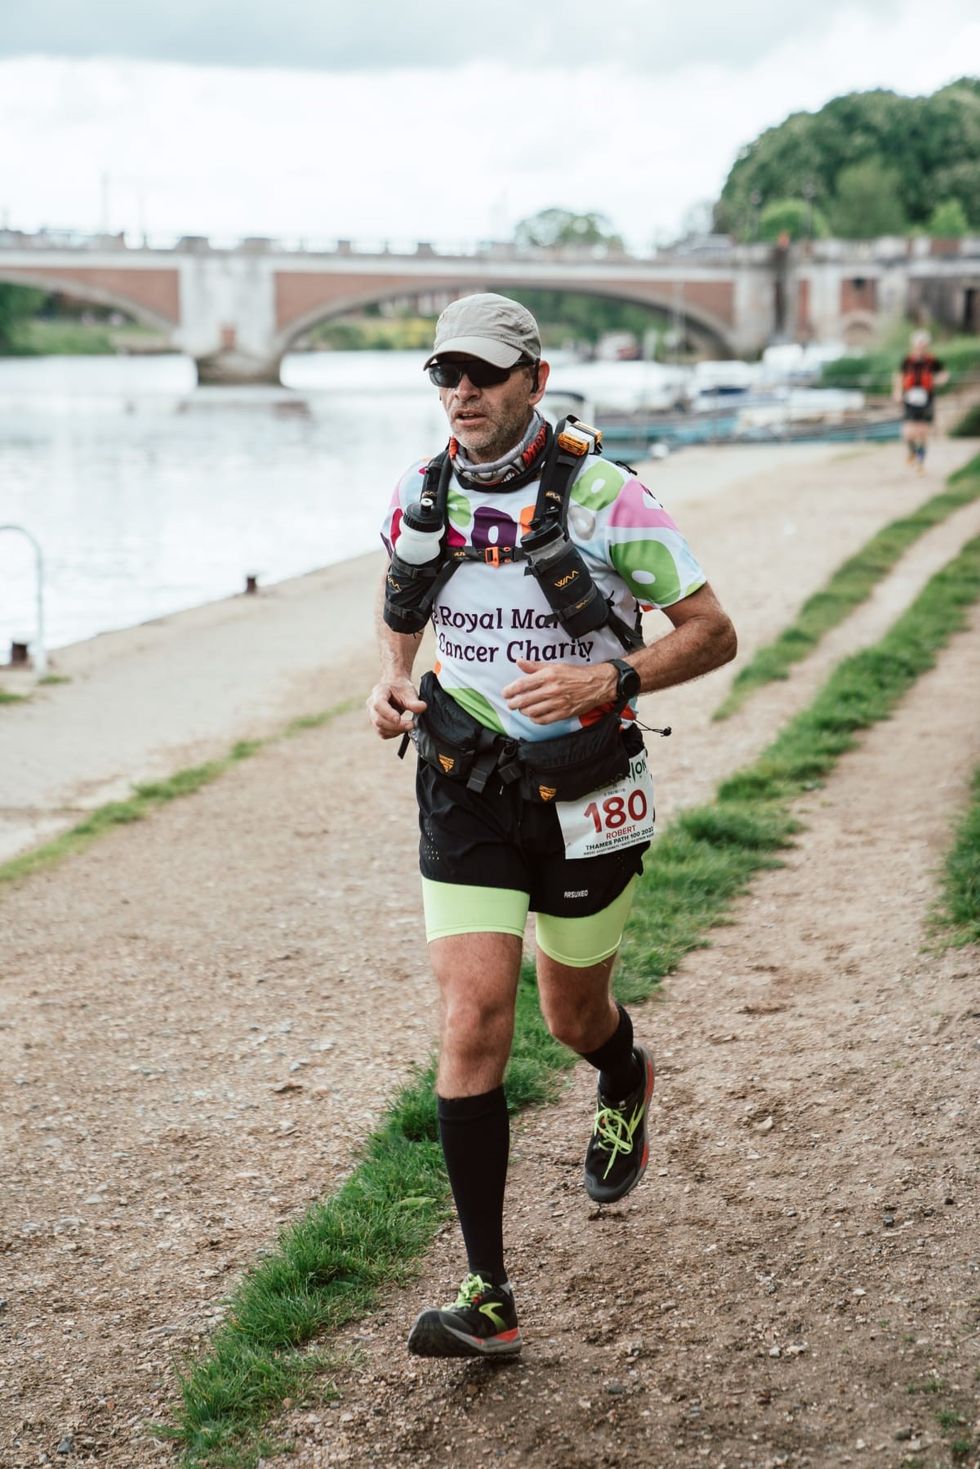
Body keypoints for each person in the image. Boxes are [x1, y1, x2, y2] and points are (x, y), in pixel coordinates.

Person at [368, 293, 736, 1360]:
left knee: (572, 1014)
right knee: (473, 1014)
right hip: (464, 782)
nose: (462, 391)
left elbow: (713, 631)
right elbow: (401, 597)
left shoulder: (610, 497)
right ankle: (488, 1295)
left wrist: (607, 678)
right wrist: (391, 676)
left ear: (533, 377)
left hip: (584, 788)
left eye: (483, 372)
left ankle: (622, 1072)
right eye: (447, 373)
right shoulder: (420, 491)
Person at [893, 329, 948, 472]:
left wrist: (938, 380)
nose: (920, 347)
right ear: (914, 345)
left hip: (926, 398)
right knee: (908, 432)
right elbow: (899, 376)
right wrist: (897, 392)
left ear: (926, 346)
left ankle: (920, 462)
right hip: (910, 398)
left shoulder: (931, 360)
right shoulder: (907, 360)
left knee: (922, 432)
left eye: (923, 345)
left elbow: (943, 374)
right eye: (918, 344)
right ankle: (912, 452)